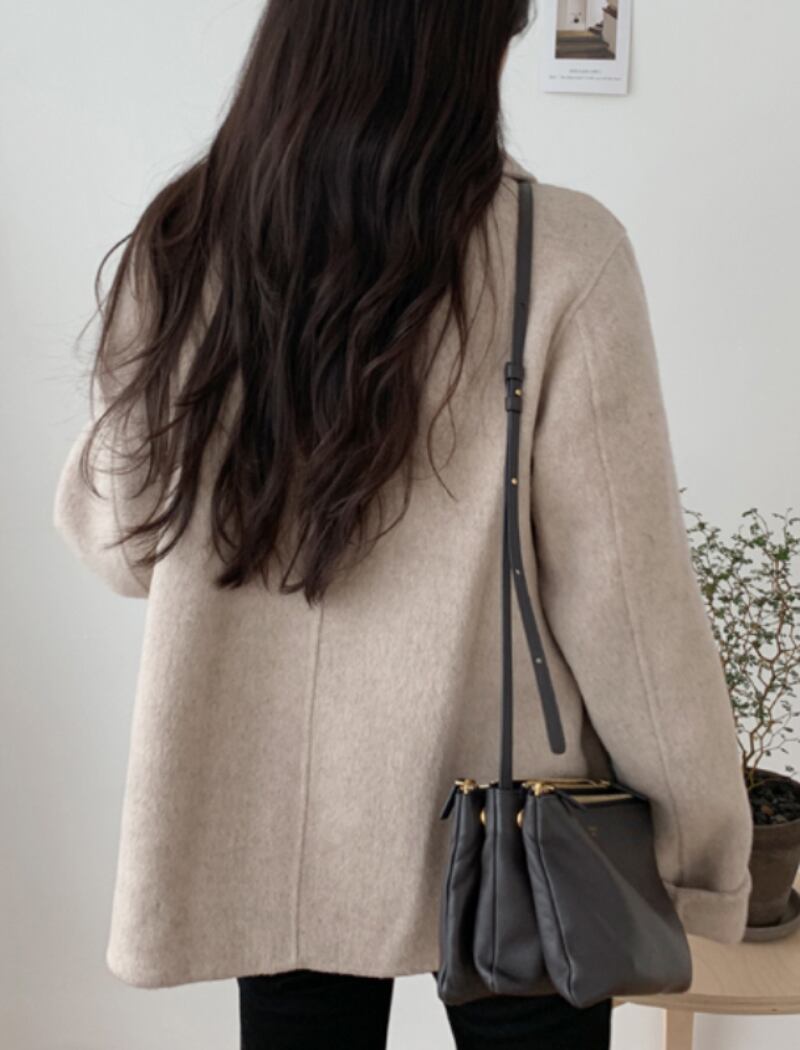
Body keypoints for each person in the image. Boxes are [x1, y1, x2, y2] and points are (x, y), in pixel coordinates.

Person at [52, 1, 753, 1048]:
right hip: (519, 831)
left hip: (273, 819)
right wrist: (704, 855)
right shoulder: (561, 255)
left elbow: (119, 540)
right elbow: (628, 615)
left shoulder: (189, 239)